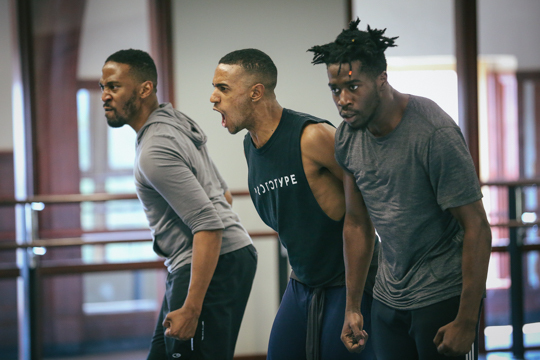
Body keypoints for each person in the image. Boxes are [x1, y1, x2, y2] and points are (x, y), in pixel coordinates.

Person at [308, 19, 492, 360]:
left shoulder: (433, 133)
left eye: (353, 87)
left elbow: (477, 227)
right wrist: (352, 307)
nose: (343, 100)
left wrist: (467, 320)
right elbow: (357, 223)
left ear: (381, 79)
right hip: (388, 298)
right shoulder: (348, 137)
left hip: (442, 297)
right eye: (335, 89)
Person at [210, 48, 378, 360]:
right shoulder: (252, 145)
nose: (213, 98)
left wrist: (355, 304)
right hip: (303, 282)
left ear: (256, 92)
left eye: (223, 88)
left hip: (350, 283)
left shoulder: (313, 137)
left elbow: (370, 203)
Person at [100, 48, 257, 360]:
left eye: (114, 87)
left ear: (145, 88)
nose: (105, 95)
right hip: (224, 258)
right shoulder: (172, 123)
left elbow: (209, 225)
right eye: (102, 87)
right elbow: (224, 197)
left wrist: (192, 307)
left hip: (212, 262)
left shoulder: (154, 148)